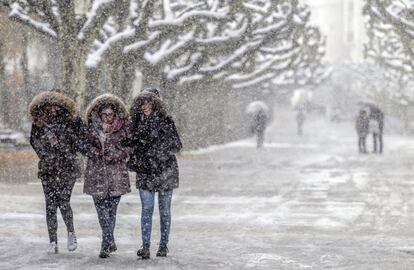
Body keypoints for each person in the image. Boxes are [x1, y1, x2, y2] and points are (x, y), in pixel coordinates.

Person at [126, 88, 182, 259]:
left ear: (156, 103)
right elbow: (130, 143)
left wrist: (158, 151)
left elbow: (176, 145)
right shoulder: (134, 122)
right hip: (145, 171)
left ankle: (163, 245)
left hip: (165, 170)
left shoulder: (166, 121)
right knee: (146, 209)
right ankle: (146, 246)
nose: (145, 106)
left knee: (164, 210)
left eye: (149, 102)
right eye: (142, 102)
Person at [29, 90, 82, 254]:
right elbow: (34, 140)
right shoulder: (39, 122)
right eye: (49, 105)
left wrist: (66, 149)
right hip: (48, 169)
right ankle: (53, 241)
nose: (52, 108)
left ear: (62, 104)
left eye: (55, 104)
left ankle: (71, 233)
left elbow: (79, 140)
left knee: (64, 202)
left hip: (68, 168)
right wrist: (45, 154)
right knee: (50, 206)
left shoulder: (72, 120)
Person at [82, 94, 131, 258]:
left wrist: (117, 154)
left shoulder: (123, 128)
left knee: (111, 212)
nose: (108, 117)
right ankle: (109, 240)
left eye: (111, 114)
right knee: (101, 212)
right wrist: (93, 151)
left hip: (116, 175)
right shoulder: (90, 128)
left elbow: (130, 148)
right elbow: (82, 145)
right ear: (99, 114)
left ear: (115, 114)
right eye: (105, 114)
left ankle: (106, 243)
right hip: (96, 175)